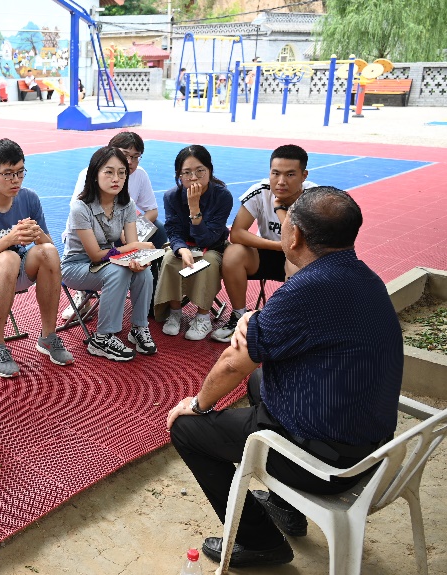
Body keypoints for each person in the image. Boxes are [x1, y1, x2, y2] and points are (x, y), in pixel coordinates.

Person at [166, 187, 403, 568]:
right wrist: (252, 319)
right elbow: (272, 335)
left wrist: (197, 405)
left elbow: (232, 363)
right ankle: (285, 506)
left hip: (327, 463)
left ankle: (259, 542)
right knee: (259, 381)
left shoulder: (309, 290)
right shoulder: (365, 278)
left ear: (295, 237)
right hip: (370, 447)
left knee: (188, 429)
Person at [0, 138, 73, 378]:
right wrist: (8, 239)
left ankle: (48, 336)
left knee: (48, 251)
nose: (16, 180)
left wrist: (37, 233)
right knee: (8, 257)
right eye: (8, 174)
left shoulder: (29, 198)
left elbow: (48, 246)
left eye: (20, 172)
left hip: (14, 271)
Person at [211, 144, 317, 342]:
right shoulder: (260, 191)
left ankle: (290, 323)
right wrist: (279, 246)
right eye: (275, 173)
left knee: (297, 264)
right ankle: (239, 317)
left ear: (304, 175)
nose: (281, 181)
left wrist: (279, 208)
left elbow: (298, 241)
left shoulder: (315, 198)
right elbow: (237, 233)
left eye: (290, 174)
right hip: (268, 251)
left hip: (300, 257)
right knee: (233, 253)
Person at [61, 146, 157, 362]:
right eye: (109, 172)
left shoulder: (127, 204)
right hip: (77, 266)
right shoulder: (80, 207)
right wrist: (133, 249)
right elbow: (96, 255)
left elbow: (133, 246)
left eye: (122, 173)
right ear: (95, 175)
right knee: (118, 271)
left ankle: (139, 328)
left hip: (109, 262)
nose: (116, 178)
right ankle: (102, 338)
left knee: (142, 272)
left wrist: (139, 260)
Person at [63, 131, 167, 320]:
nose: (130, 162)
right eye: (125, 155)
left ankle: (145, 314)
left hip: (117, 235)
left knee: (156, 235)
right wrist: (131, 242)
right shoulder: (88, 179)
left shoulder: (137, 181)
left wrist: (133, 234)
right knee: (120, 267)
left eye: (136, 157)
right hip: (88, 240)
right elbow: (81, 216)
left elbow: (152, 210)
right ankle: (85, 299)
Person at [155, 145, 232, 341]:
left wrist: (194, 208)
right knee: (170, 260)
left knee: (208, 262)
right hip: (183, 244)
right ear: (179, 175)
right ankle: (175, 312)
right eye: (187, 172)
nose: (194, 177)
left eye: (200, 171)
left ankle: (203, 317)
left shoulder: (222, 196)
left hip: (213, 246)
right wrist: (181, 249)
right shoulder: (171, 196)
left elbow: (209, 238)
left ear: (210, 171)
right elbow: (172, 230)